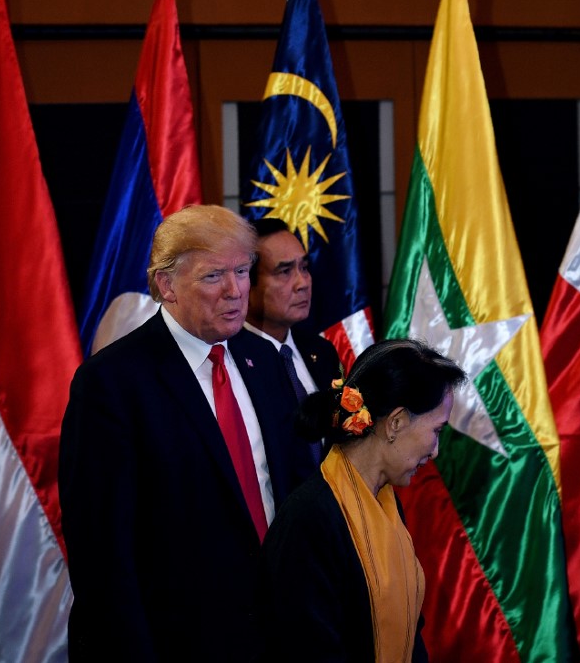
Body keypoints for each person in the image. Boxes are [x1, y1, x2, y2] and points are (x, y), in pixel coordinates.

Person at [59, 204, 315, 661]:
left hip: (280, 634)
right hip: (176, 640)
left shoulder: (264, 360)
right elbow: (102, 550)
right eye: (214, 276)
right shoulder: (112, 383)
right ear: (166, 284)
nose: (236, 291)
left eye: (242, 270)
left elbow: (296, 497)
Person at [257, 338, 467, 662]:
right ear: (396, 422)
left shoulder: (385, 501)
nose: (435, 450)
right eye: (436, 431)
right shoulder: (308, 519)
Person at [245, 218, 341, 460]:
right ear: (246, 283)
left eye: (304, 268)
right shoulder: (230, 360)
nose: (303, 283)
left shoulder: (322, 351)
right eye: (285, 271)